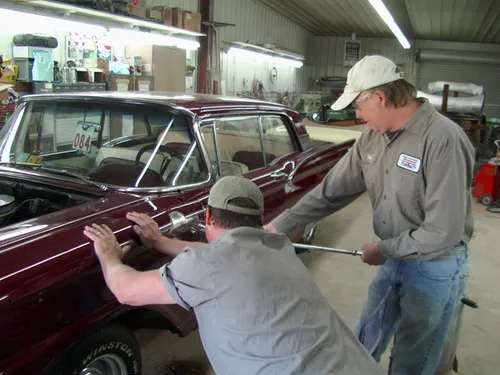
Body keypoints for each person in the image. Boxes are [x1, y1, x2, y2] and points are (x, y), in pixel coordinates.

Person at [265, 55, 474, 375]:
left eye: (359, 107)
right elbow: (332, 191)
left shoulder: (442, 139)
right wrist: (279, 226)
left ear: (380, 97)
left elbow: (442, 231)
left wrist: (383, 249)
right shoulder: (372, 138)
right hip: (396, 256)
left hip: (436, 263)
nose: (358, 115)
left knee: (414, 353)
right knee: (367, 336)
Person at [83, 176, 384, 375]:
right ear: (258, 219)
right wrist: (160, 242)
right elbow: (217, 254)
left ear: (208, 217)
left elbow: (127, 290)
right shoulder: (278, 246)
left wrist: (109, 255)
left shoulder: (209, 266)